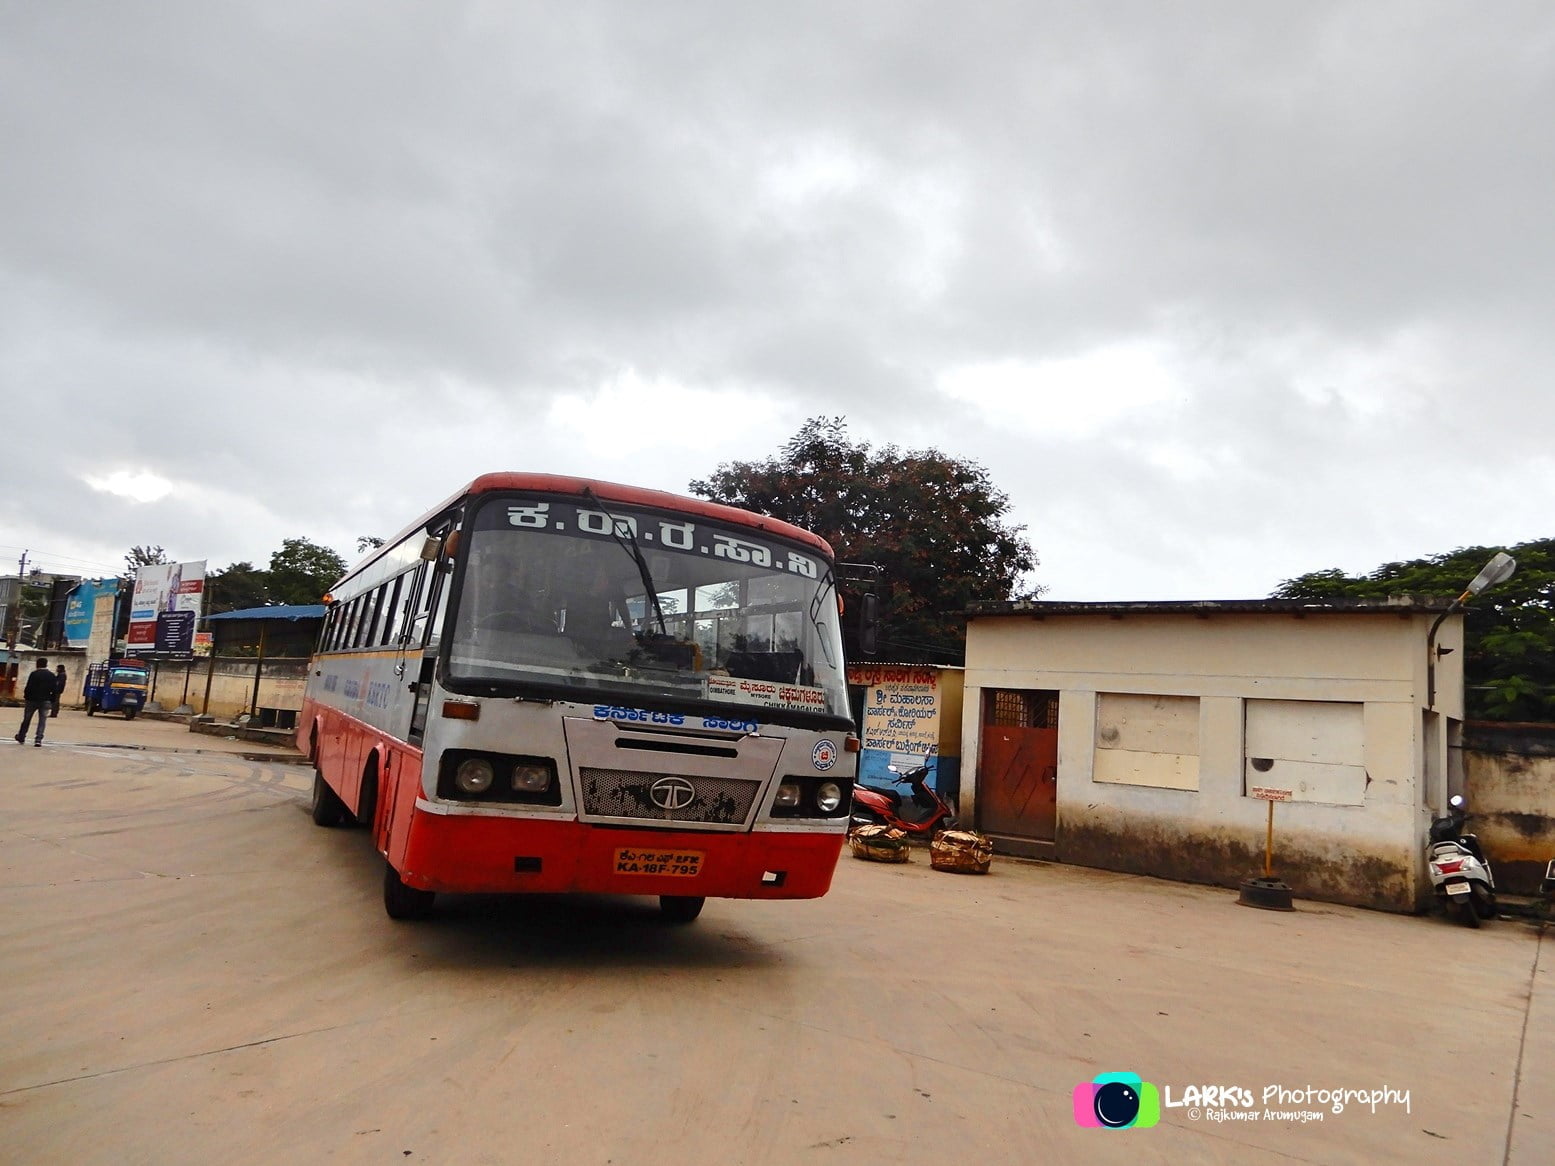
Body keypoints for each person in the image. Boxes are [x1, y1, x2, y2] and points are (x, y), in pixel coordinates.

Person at [15, 657, 55, 747]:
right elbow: (54, 689)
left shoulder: (34, 674)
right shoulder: (51, 675)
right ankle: (38, 739)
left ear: (37, 664)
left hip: (32, 700)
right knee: (42, 721)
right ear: (46, 664)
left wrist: (26, 697)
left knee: (27, 719)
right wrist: (51, 700)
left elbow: (29, 687)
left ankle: (21, 736)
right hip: (45, 700)